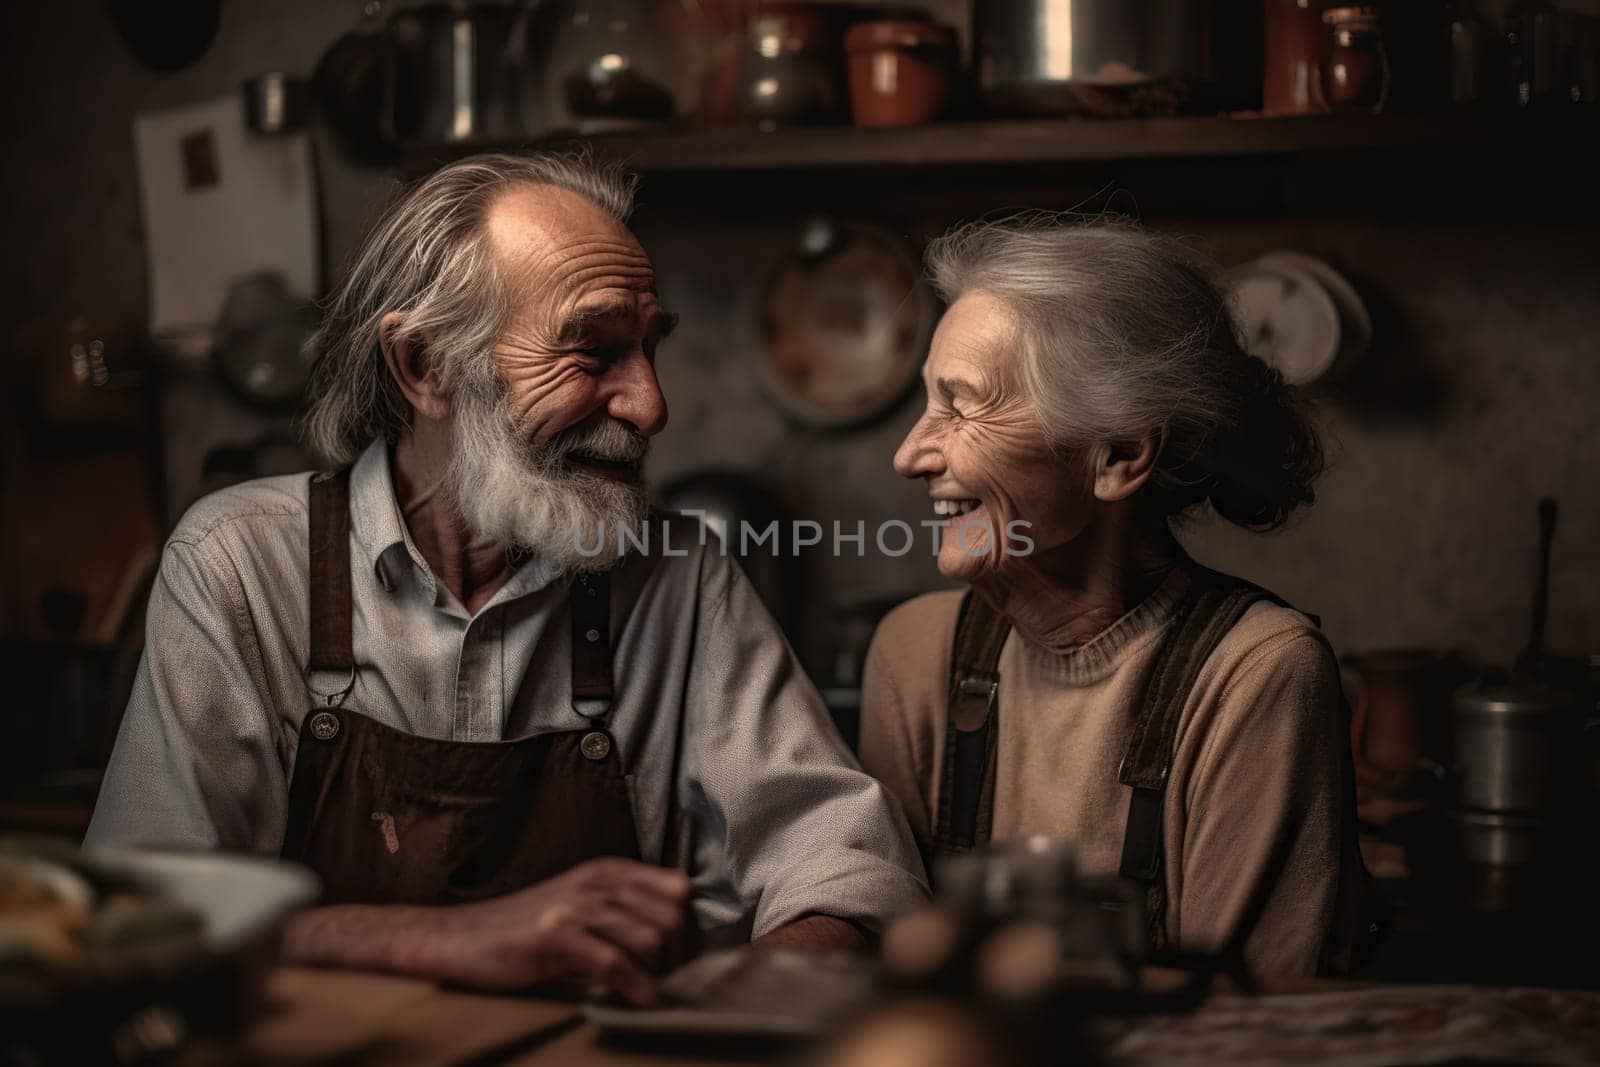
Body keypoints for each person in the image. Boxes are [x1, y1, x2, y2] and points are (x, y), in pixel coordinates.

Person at [86, 153, 927, 1004]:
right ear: (424, 365)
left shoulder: (678, 576)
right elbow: (139, 912)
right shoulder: (239, 564)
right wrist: (450, 939)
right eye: (593, 351)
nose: (650, 405)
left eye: (647, 349)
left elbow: (851, 869)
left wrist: (733, 996)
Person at [859, 216, 1356, 977]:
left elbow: (1257, 1028)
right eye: (929, 404)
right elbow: (889, 979)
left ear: (1119, 456)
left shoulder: (1256, 673)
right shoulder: (915, 654)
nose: (909, 455)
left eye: (961, 408)